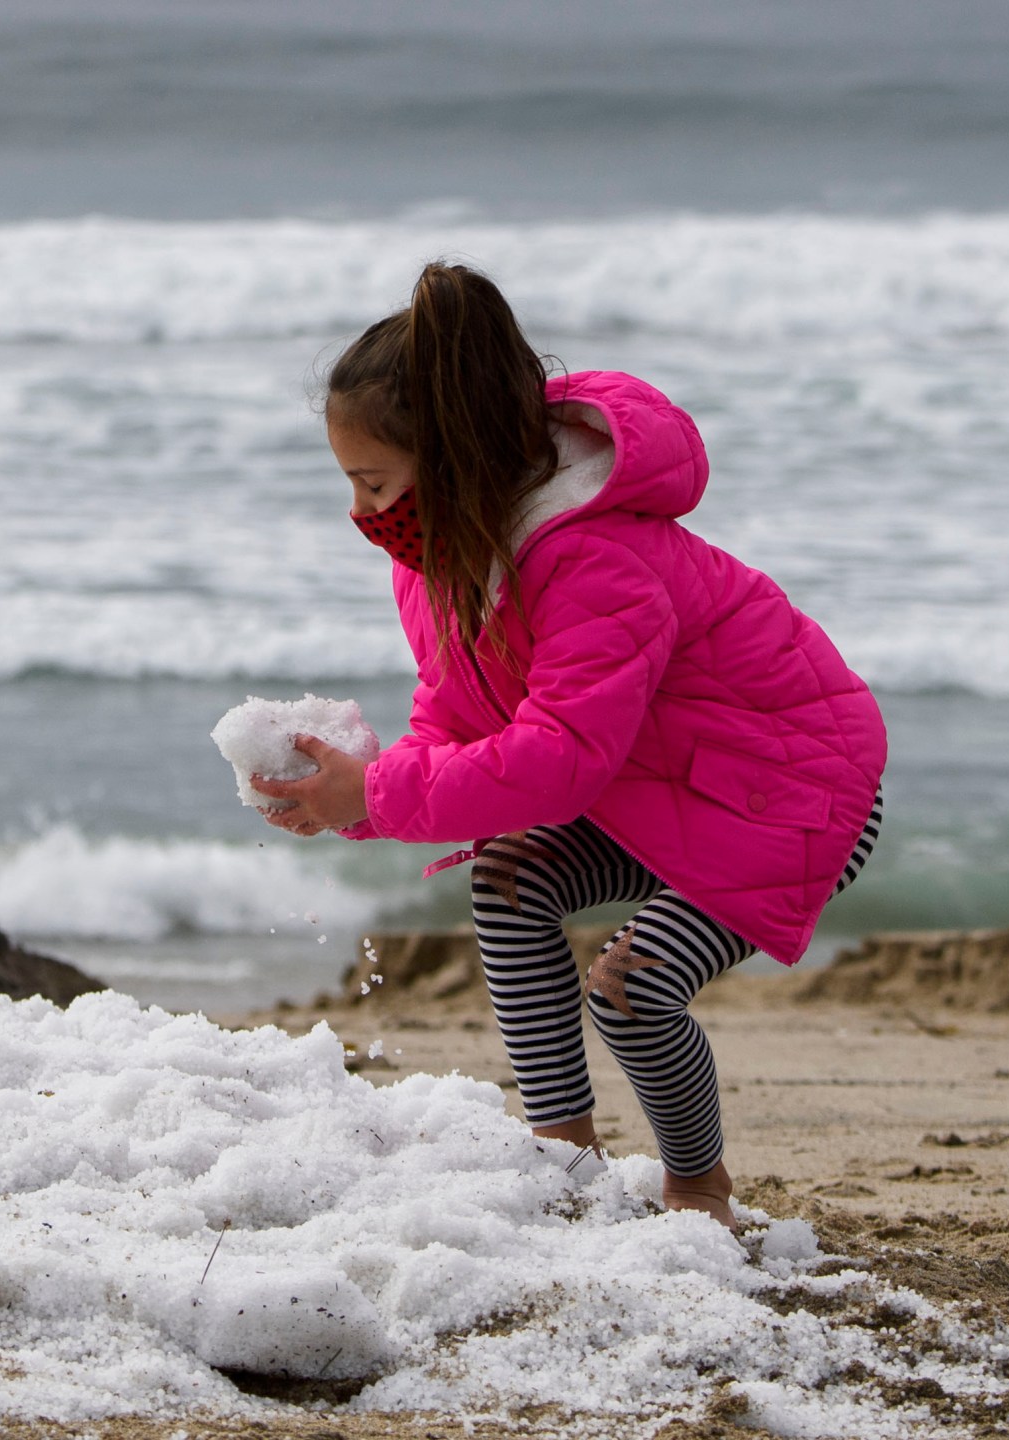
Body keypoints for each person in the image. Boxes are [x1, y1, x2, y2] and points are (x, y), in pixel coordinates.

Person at [250, 261, 887, 1229]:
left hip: (791, 792)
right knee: (506, 878)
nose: (359, 511)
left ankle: (696, 1194)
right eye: (349, 482)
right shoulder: (438, 561)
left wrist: (377, 794)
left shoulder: (595, 561)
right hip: (658, 788)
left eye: (373, 482)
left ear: (455, 460)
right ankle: (565, 1162)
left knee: (631, 986)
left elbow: (556, 759)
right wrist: (348, 792)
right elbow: (455, 718)